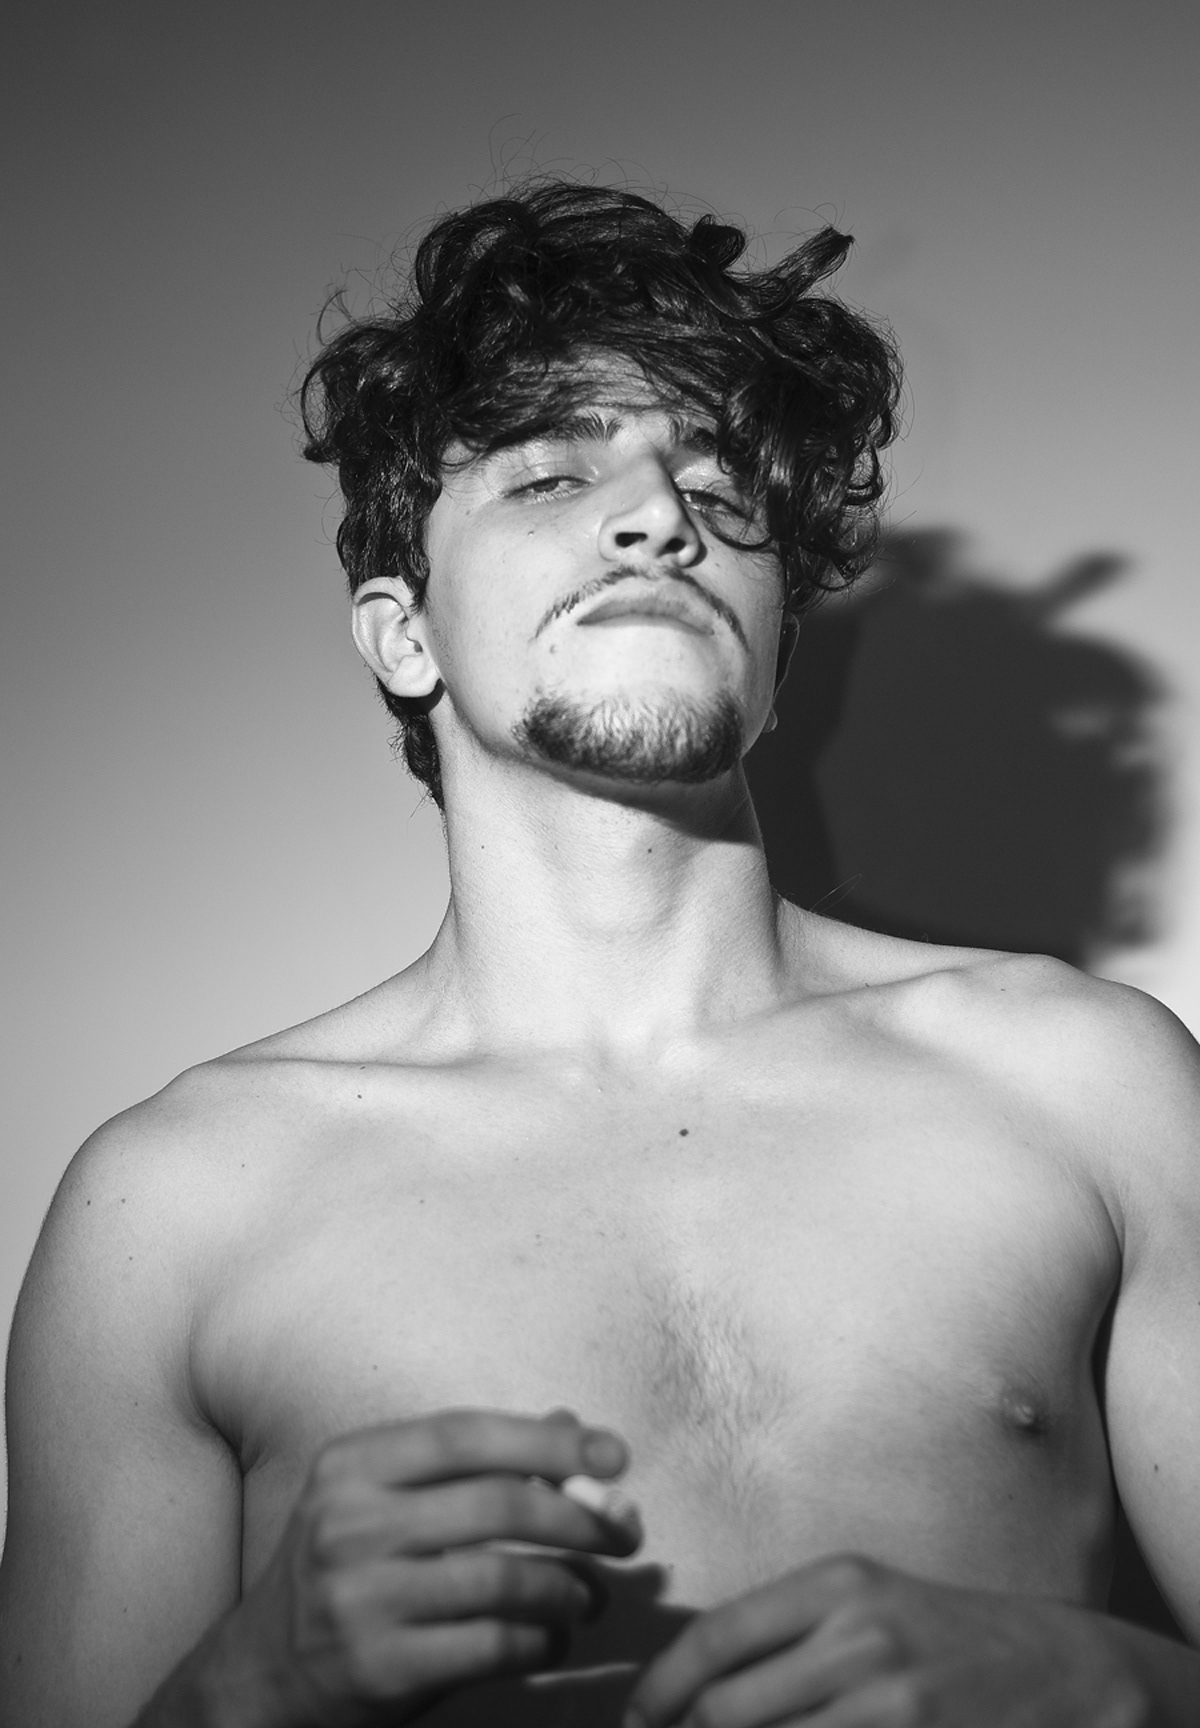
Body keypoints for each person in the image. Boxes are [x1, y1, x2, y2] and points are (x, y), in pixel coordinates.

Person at [1, 179, 1199, 1728]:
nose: (661, 517)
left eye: (715, 482)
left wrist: (1118, 1684)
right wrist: (245, 1690)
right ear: (405, 635)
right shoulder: (171, 1208)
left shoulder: (1092, 1086)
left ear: (776, 653)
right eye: (550, 474)